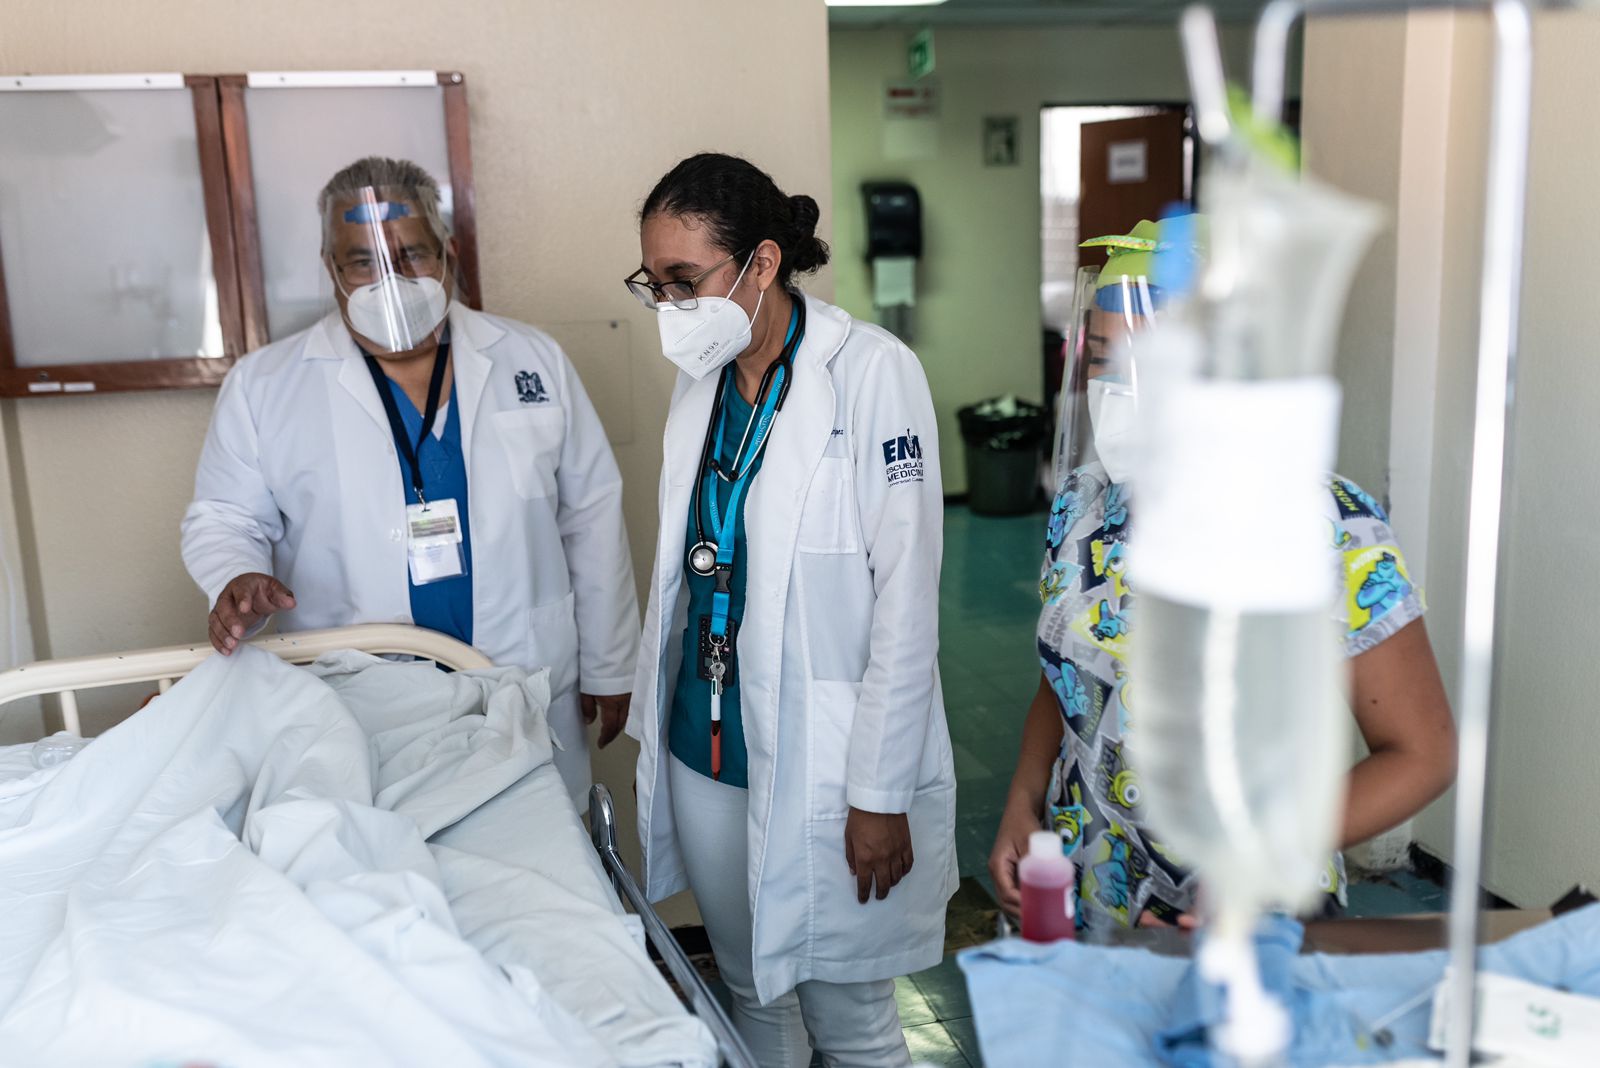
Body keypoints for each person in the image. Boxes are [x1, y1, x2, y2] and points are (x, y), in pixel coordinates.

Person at [990, 220, 1458, 933]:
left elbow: (1421, 754)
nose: (1121, 393)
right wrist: (1022, 802)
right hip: (1087, 893)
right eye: (1103, 363)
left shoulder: (1327, 526)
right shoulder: (1086, 508)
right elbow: (1070, 678)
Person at [624, 153, 956, 1067]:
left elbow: (906, 601)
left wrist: (880, 794)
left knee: (854, 1025)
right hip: (706, 742)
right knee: (748, 993)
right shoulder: (701, 390)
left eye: (684, 281)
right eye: (655, 285)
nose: (668, 307)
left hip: (829, 755)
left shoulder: (872, 373)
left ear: (762, 263)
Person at [181, 156, 637, 806]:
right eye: (363, 261)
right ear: (331, 267)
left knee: (542, 855)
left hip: (523, 675)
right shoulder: (267, 385)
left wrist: (612, 663)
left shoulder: (529, 360)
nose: (390, 280)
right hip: (358, 694)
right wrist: (236, 574)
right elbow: (226, 518)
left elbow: (591, 517)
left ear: (448, 251)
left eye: (411, 253)